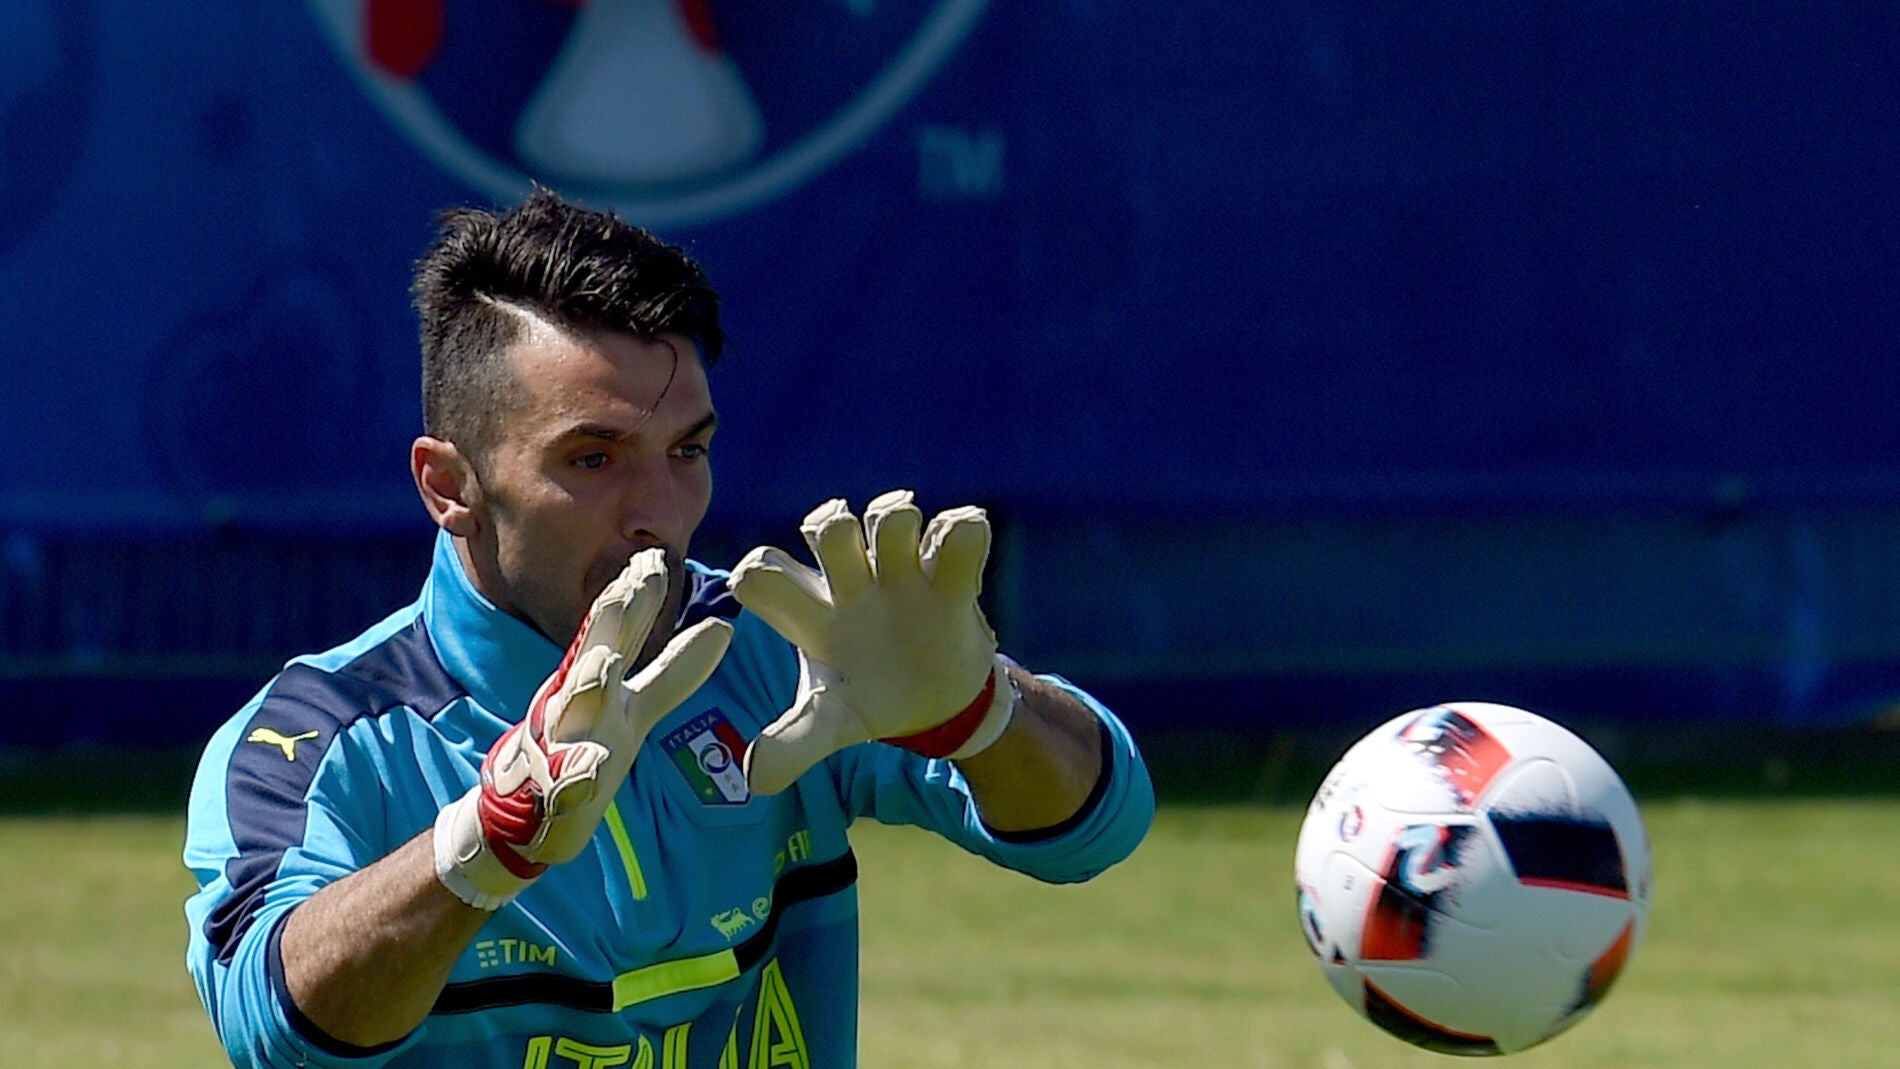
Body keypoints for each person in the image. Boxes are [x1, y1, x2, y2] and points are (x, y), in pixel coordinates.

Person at [183, 189, 1154, 1069]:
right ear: (450, 484)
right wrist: (489, 839)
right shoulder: (321, 737)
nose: (658, 509)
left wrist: (981, 716)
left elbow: (1094, 829)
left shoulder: (776, 643)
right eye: (594, 458)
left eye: (687, 449)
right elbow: (272, 1023)